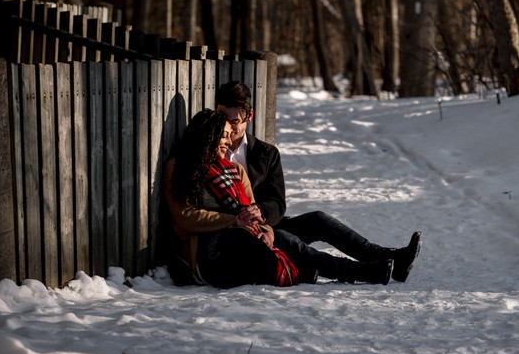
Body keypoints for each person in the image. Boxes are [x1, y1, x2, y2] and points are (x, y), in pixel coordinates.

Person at [216, 80, 422, 284]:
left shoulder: (266, 153)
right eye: (223, 118)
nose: (228, 127)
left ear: (249, 116)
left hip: (267, 224)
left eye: (234, 122)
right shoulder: (211, 151)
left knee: (318, 219)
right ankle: (361, 271)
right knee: (287, 239)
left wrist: (260, 211)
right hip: (239, 235)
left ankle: (390, 258)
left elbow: (278, 203)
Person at [163, 109, 303, 288]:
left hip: (246, 241)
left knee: (290, 238)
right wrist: (234, 221)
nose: (229, 143)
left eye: (230, 136)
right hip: (211, 256)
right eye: (225, 136)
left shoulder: (235, 170)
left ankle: (342, 269)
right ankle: (295, 271)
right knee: (240, 238)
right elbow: (186, 216)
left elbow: (253, 212)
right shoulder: (179, 167)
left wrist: (267, 231)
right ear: (209, 135)